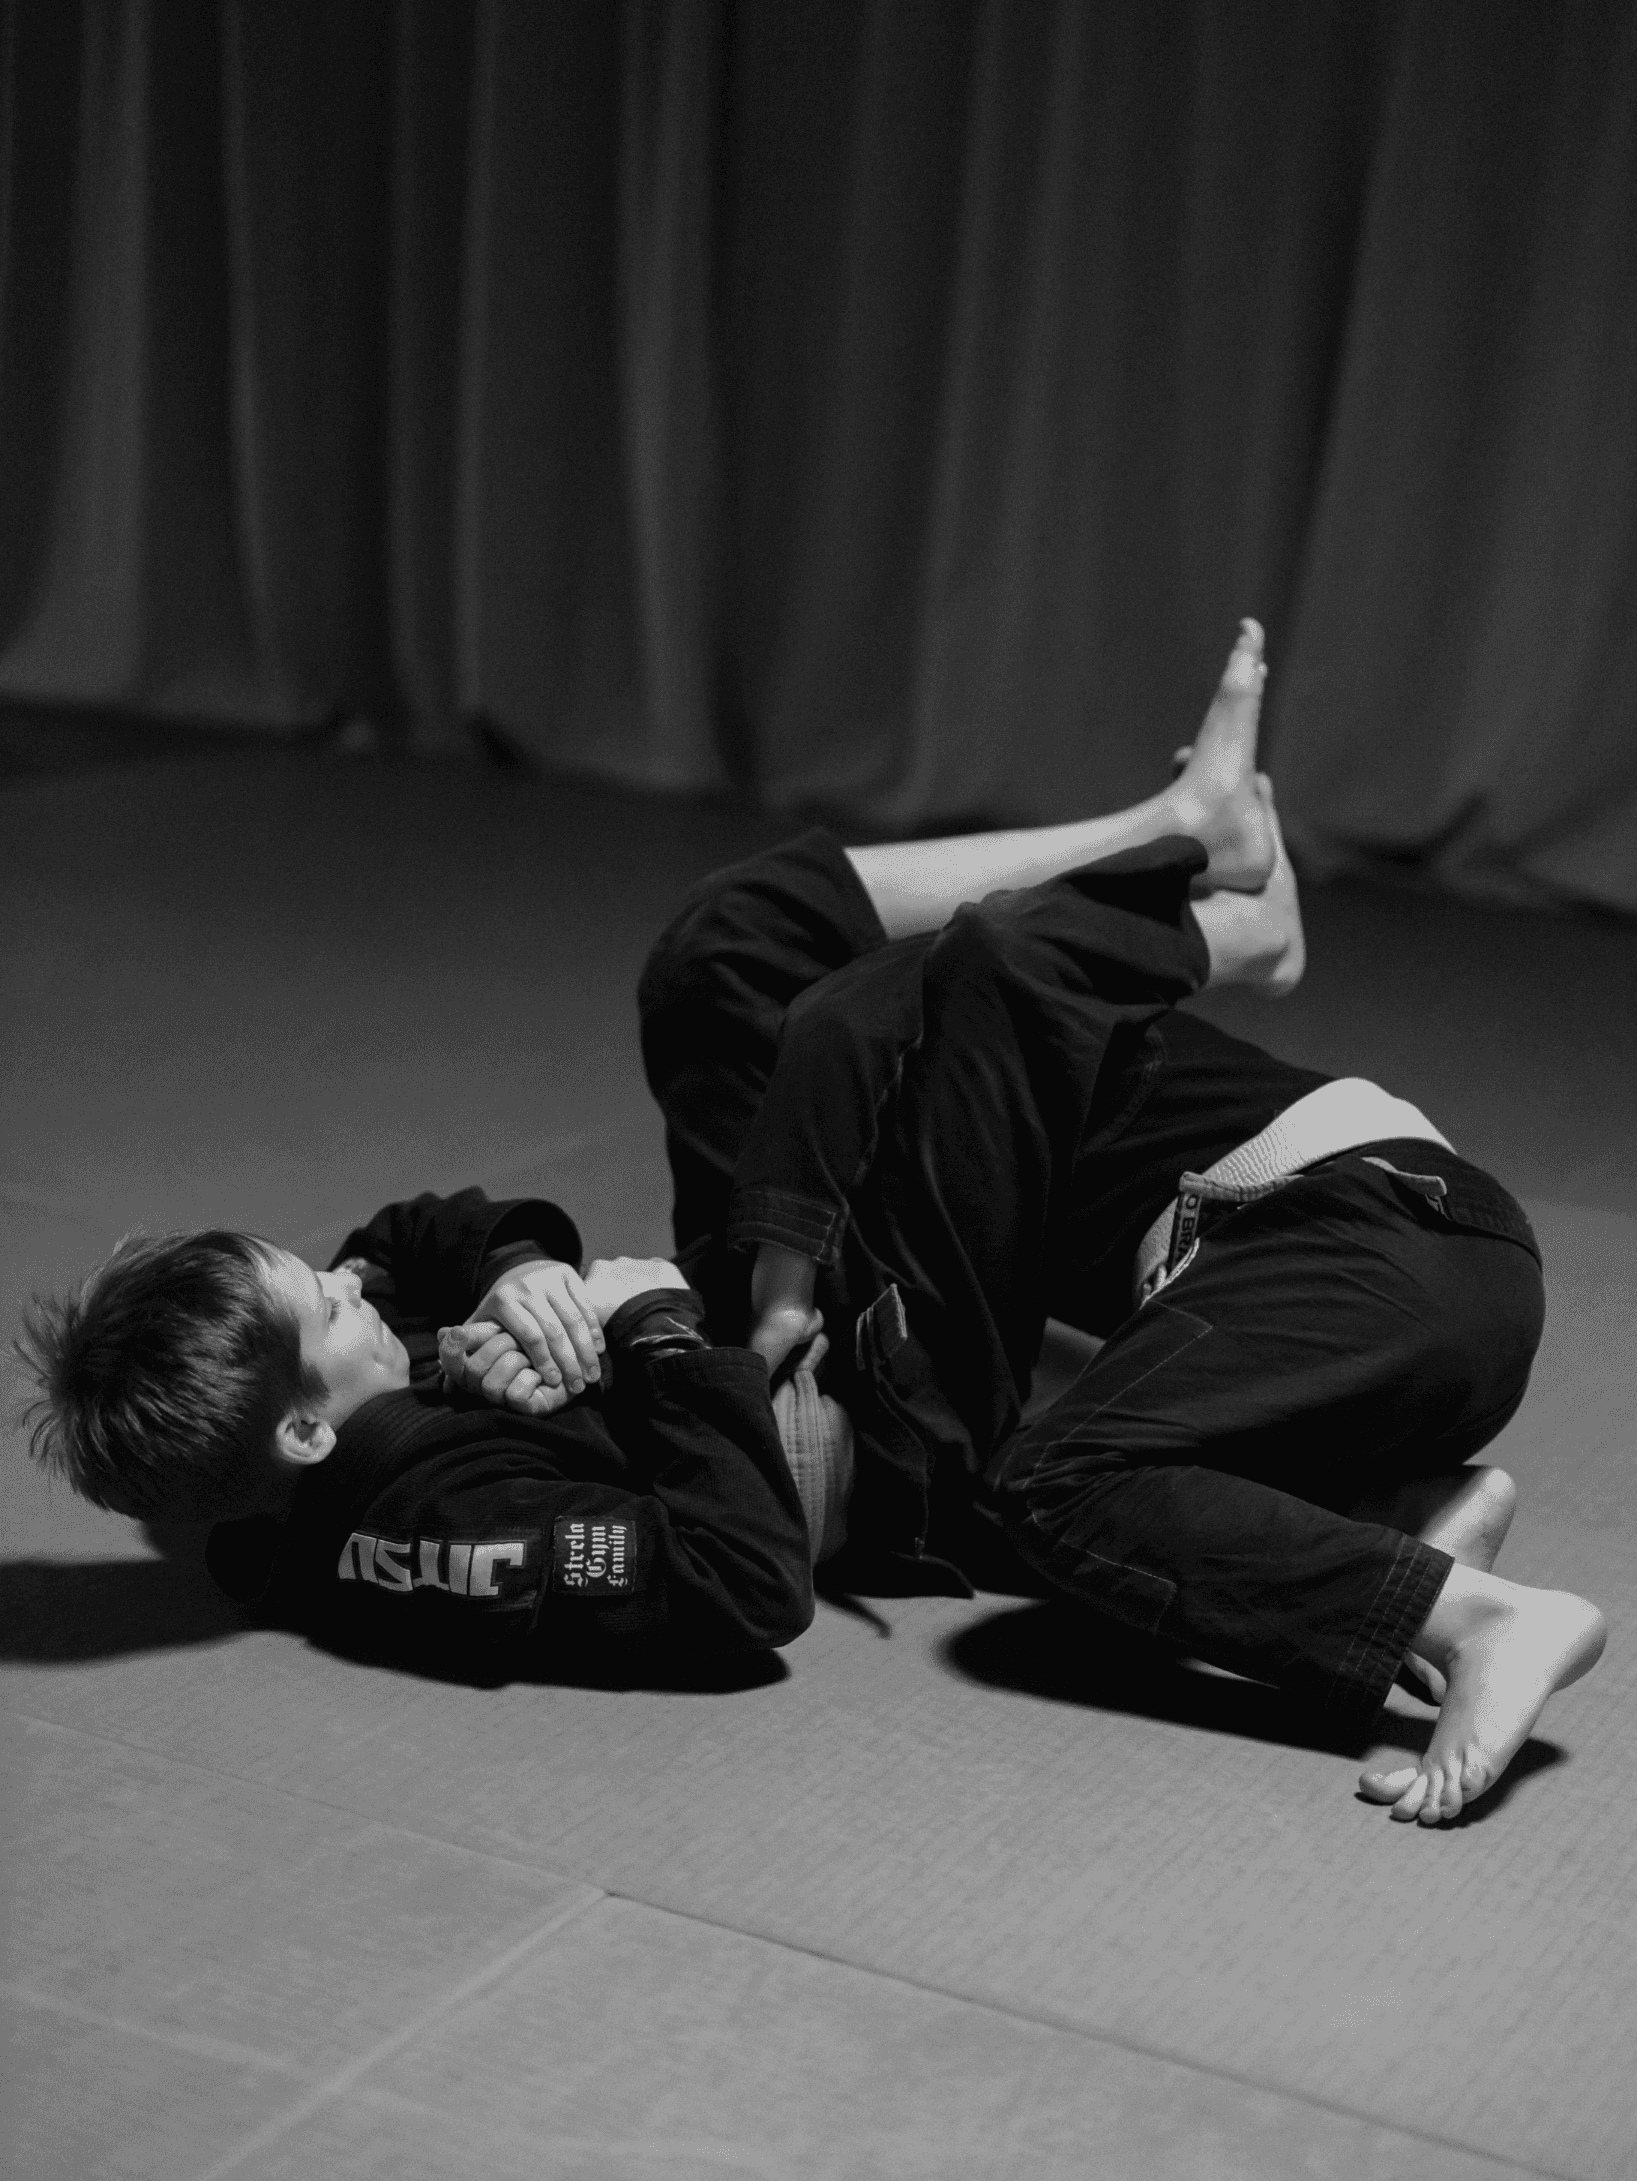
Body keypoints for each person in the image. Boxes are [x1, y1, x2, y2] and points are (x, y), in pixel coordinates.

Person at [15, 633, 1289, 1675]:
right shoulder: (452, 1535)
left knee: (717, 950)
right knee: (928, 1023)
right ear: (302, 1433)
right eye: (328, 1304)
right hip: (877, 1410)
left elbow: (404, 1234)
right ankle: (1376, 1507)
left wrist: (515, 1273)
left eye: (319, 1275)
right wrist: (655, 1331)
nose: (348, 1281)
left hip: (749, 1329)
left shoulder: (297, 1432)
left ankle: (1188, 836)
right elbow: (742, 1586)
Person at [608, 622, 1606, 1826]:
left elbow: (932, 972)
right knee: (725, 964)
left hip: (1368, 1232)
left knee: (1050, 1483)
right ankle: (1391, 1519)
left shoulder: (899, 1106)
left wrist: (771, 1278)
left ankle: (1476, 1615)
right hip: (1364, 1294)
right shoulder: (889, 1277)